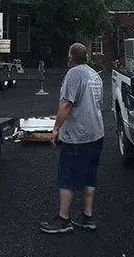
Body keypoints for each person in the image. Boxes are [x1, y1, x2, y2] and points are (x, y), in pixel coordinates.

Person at [40, 42, 104, 234]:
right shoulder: (95, 75)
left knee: (67, 176)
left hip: (79, 136)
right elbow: (98, 103)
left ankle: (63, 219)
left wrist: (56, 128)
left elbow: (67, 104)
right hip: (97, 133)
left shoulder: (74, 74)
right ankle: (87, 216)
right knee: (89, 175)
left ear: (71, 57)